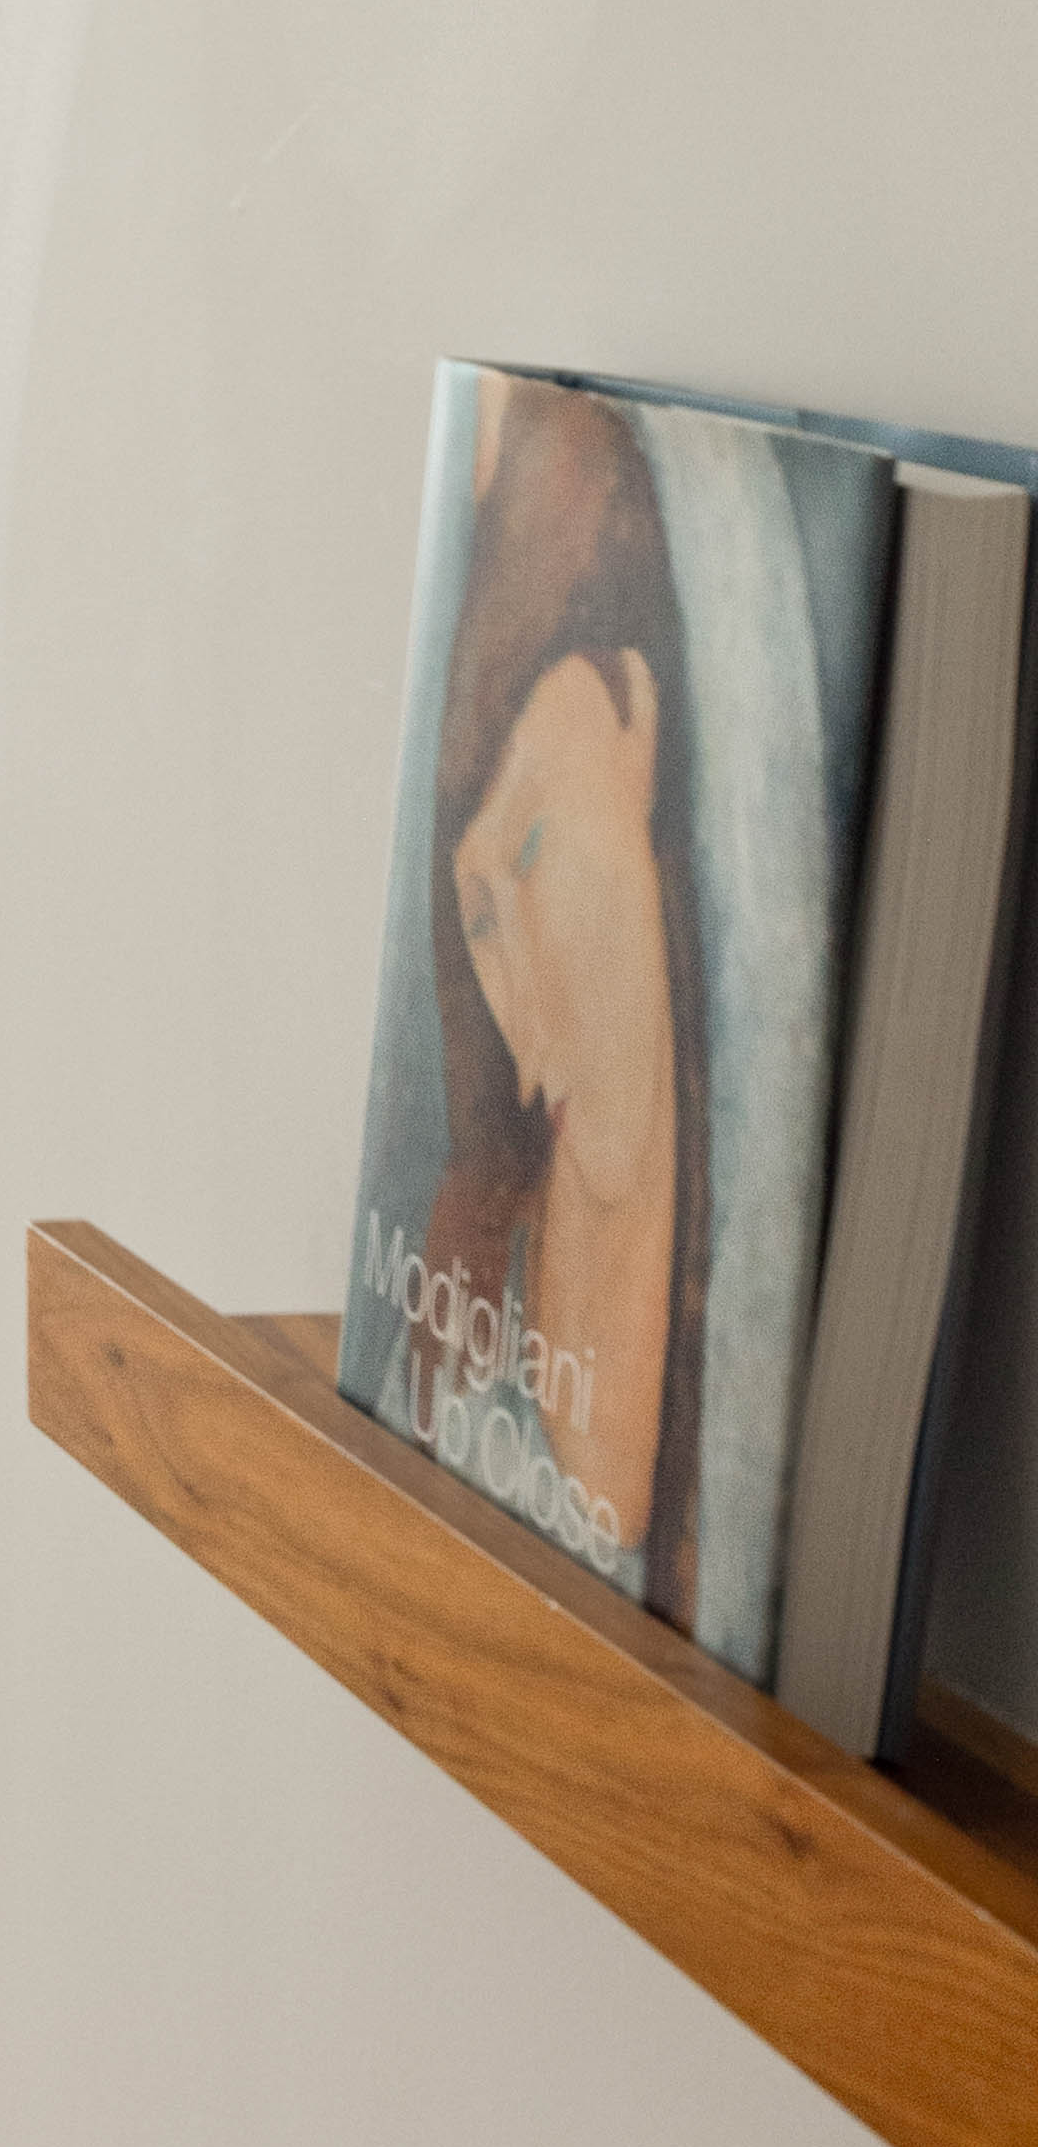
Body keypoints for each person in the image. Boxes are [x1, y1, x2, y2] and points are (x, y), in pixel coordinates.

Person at [415, 379, 710, 1618]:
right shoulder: (492, 1286)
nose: (527, 1033)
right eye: (480, 918)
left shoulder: (609, 691)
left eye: (536, 846)